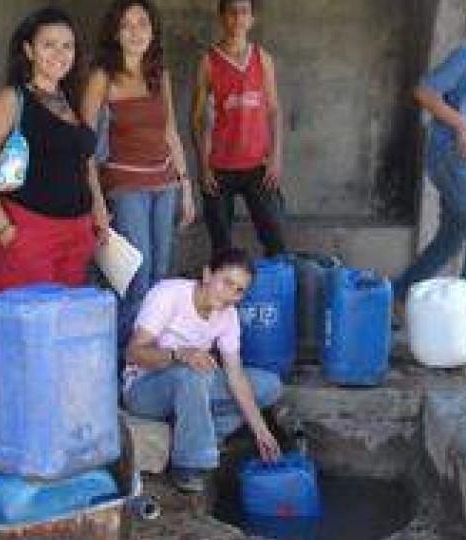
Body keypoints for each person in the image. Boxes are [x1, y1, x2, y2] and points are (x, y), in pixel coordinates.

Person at [0, 7, 109, 291]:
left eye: (67, 46)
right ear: (29, 50)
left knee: (63, 325)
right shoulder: (11, 100)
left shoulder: (71, 100)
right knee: (31, 325)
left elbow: (84, 161)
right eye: (48, 45)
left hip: (76, 232)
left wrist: (99, 209)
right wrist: (5, 229)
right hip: (29, 230)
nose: (60, 53)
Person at [82, 0, 195, 348]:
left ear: (152, 30)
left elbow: (171, 133)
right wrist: (96, 203)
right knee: (135, 277)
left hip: (164, 184)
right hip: (125, 185)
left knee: (160, 275)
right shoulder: (102, 76)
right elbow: (83, 146)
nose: (135, 31)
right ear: (115, 33)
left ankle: (146, 358)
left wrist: (186, 187)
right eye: (127, 25)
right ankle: (118, 362)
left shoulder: (159, 75)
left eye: (142, 23)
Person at [123, 248, 282, 493]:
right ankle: (188, 465)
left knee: (269, 386)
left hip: (193, 383)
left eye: (239, 290)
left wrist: (261, 431)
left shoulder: (228, 316)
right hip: (144, 389)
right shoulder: (170, 294)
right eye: (226, 282)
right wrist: (179, 354)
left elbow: (235, 375)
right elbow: (134, 353)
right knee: (194, 372)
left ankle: (201, 434)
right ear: (208, 274)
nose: (230, 294)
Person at [393, 31, 466, 314]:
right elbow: (424, 91)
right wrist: (462, 125)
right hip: (449, 154)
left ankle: (397, 294)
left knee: (451, 237)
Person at [191, 0, 286, 258]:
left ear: (251, 19)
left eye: (244, 12)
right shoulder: (209, 62)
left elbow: (274, 110)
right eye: (231, 12)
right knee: (221, 245)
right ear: (222, 18)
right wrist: (202, 164)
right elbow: (197, 117)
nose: (237, 18)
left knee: (276, 238)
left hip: (259, 165)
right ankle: (224, 297)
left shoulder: (262, 58)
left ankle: (273, 292)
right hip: (219, 167)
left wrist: (276, 157)